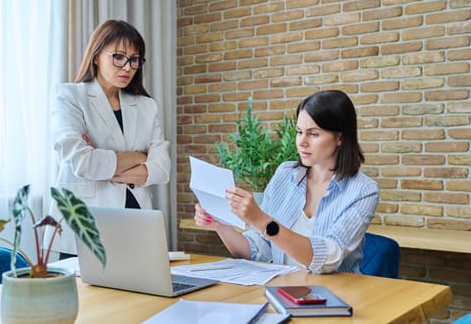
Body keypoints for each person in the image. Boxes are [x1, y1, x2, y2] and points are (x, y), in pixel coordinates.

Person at [194, 90, 379, 274]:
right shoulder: (285, 174)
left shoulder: (363, 190)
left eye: (313, 134)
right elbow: (257, 250)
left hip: (334, 296)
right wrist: (219, 224)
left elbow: (328, 259)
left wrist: (260, 220)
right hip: (284, 292)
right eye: (299, 132)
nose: (302, 142)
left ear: (340, 137)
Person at [48, 19, 171, 258]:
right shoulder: (69, 96)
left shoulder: (147, 106)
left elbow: (162, 169)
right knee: (88, 296)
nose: (127, 67)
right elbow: (83, 163)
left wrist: (106, 167)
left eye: (134, 60)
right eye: (118, 57)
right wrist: (139, 157)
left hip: (135, 218)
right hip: (86, 223)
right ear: (96, 56)